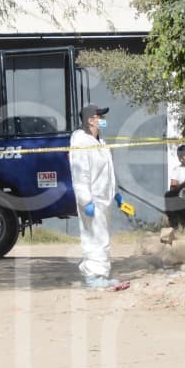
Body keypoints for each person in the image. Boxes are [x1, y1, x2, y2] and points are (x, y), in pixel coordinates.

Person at [69, 103, 123, 288]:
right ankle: (93, 275)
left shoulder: (100, 140)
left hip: (104, 198)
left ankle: (102, 274)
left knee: (103, 237)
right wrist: (86, 200)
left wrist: (115, 193)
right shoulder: (81, 143)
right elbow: (80, 174)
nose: (103, 120)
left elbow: (107, 171)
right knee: (94, 237)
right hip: (92, 199)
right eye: (100, 117)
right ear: (90, 120)